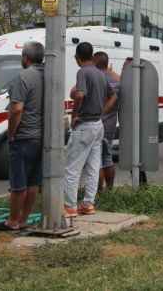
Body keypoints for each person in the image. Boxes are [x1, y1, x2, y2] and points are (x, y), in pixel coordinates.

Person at [0, 42, 45, 231]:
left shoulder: (23, 77)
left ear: (25, 58)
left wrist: (12, 132)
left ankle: (13, 221)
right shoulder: (48, 75)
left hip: (24, 136)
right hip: (42, 137)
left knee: (18, 183)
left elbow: (16, 109)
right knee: (33, 182)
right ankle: (24, 219)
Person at [63, 42, 111, 217]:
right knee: (93, 166)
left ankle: (69, 206)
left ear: (78, 57)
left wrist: (74, 115)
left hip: (84, 125)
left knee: (72, 168)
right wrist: (102, 111)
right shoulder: (100, 73)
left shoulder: (82, 72)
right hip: (98, 125)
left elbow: (80, 94)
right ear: (91, 55)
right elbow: (112, 95)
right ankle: (88, 204)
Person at [93, 51, 119, 192]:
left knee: (96, 160)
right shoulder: (116, 78)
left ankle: (98, 191)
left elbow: (75, 92)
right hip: (110, 123)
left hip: (95, 122)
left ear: (96, 62)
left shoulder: (95, 76)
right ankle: (110, 190)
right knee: (107, 157)